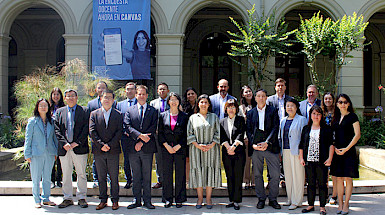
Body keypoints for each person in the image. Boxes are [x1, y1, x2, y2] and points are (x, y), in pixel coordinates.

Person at [124, 85, 158, 210]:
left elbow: (153, 127)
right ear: (136, 95)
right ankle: (136, 199)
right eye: (139, 94)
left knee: (147, 175)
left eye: (144, 94)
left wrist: (142, 142)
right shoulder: (130, 110)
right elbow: (127, 126)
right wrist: (139, 136)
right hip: (133, 148)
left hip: (147, 148)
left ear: (147, 95)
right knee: (136, 175)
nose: (141, 96)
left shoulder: (153, 111)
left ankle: (147, 201)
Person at [54, 89, 90, 209]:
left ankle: (81, 197)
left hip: (79, 148)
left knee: (81, 173)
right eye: (68, 96)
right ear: (64, 98)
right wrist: (64, 143)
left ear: (76, 97)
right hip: (64, 149)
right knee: (66, 174)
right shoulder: (59, 112)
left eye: (73, 96)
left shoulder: (84, 111)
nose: (70, 98)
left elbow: (86, 129)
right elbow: (57, 130)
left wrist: (76, 143)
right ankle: (67, 198)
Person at [246, 89, 281, 210]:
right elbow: (249, 131)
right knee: (257, 174)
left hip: (270, 147)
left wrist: (267, 142)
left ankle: (273, 199)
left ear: (266, 98)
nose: (261, 98)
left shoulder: (273, 111)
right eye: (258, 96)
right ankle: (261, 198)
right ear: (255, 98)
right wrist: (252, 145)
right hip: (256, 149)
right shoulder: (250, 113)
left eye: (263, 96)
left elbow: (276, 127)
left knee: (275, 175)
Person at [89, 89, 123, 210]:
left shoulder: (118, 114)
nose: (107, 99)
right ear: (101, 99)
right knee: (101, 177)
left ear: (113, 100)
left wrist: (109, 144)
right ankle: (103, 200)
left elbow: (120, 132)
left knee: (114, 177)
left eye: (109, 97)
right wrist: (101, 145)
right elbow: (92, 132)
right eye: (105, 97)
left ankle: (115, 200)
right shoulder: (94, 114)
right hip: (99, 151)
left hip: (113, 150)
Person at [187, 94, 221, 209]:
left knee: (209, 172)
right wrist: (198, 145)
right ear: (198, 104)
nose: (203, 104)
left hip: (211, 150)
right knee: (199, 172)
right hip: (196, 150)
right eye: (201, 102)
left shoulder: (214, 117)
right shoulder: (193, 118)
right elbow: (189, 133)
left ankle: (208, 198)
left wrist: (211, 144)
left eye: (206, 102)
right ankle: (200, 198)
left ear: (209, 104)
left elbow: (218, 133)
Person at [299, 105, 334, 215]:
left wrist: (330, 158)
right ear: (310, 115)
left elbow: (331, 145)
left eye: (318, 114)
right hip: (309, 161)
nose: (316, 116)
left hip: (322, 161)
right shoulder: (306, 128)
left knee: (322, 184)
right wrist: (301, 158)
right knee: (310, 184)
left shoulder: (326, 129)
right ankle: (310, 205)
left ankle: (322, 207)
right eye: (314, 114)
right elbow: (301, 145)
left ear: (321, 116)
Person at [330, 94, 361, 215]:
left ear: (348, 104)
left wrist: (346, 149)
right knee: (338, 179)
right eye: (340, 102)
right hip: (337, 152)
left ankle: (346, 204)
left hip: (349, 152)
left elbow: (357, 135)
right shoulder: (335, 118)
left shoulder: (352, 117)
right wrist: (335, 148)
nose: (343, 104)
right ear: (337, 104)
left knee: (348, 178)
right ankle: (340, 204)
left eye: (345, 102)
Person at [24, 98, 58, 208]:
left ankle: (46, 198)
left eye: (45, 105)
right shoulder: (32, 121)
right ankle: (36, 200)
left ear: (48, 107)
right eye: (41, 106)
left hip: (49, 153)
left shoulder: (52, 121)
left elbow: (54, 138)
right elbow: (28, 138)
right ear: (37, 108)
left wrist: (56, 152)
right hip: (36, 153)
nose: (43, 107)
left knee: (47, 177)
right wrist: (27, 154)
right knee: (36, 178)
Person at [158, 92, 188, 208]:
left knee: (180, 174)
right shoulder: (162, 115)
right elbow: (160, 133)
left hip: (179, 149)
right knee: (167, 175)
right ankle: (167, 199)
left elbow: (186, 134)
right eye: (171, 99)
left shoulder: (184, 116)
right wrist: (167, 146)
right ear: (168, 102)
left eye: (176, 99)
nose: (174, 101)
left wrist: (178, 146)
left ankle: (180, 198)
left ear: (179, 102)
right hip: (166, 149)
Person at [278, 97, 307, 210]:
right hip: (285, 150)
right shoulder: (283, 120)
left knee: (298, 176)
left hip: (297, 152)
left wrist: (302, 153)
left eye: (292, 106)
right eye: (288, 106)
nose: (289, 108)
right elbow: (280, 137)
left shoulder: (302, 119)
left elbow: (304, 138)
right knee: (288, 176)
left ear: (296, 107)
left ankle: (297, 201)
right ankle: (290, 199)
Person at [87, 81, 116, 188]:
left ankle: (107, 178)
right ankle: (96, 179)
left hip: (110, 139)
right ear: (96, 90)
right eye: (99, 88)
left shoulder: (114, 102)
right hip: (96, 138)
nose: (101, 90)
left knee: (110, 160)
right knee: (96, 160)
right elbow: (89, 122)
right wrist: (94, 138)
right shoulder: (91, 104)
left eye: (103, 88)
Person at [266, 78, 293, 188]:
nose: (280, 87)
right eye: (278, 85)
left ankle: (283, 179)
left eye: (282, 85)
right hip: (273, 132)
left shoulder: (290, 100)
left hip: (286, 131)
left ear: (285, 87)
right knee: (271, 156)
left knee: (285, 155)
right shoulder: (270, 100)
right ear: (275, 87)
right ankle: (270, 179)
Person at [220, 99, 246, 210]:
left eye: (233, 107)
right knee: (229, 176)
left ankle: (237, 200)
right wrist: (228, 147)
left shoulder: (241, 120)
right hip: (226, 152)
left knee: (238, 176)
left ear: (236, 109)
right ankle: (231, 199)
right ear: (226, 109)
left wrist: (233, 147)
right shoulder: (221, 121)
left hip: (238, 152)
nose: (231, 109)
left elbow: (241, 134)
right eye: (229, 107)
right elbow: (222, 136)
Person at [117, 82, 137, 189]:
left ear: (135, 90)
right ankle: (129, 179)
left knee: (138, 159)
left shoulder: (140, 102)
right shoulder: (120, 105)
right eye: (128, 89)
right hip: (125, 137)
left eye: (132, 89)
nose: (129, 91)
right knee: (127, 159)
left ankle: (139, 180)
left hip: (137, 137)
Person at [150, 82, 170, 189]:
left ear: (168, 91)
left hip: (169, 135)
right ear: (157, 91)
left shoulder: (172, 101)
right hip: (157, 134)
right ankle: (160, 180)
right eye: (160, 89)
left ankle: (169, 180)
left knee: (170, 158)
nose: (162, 91)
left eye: (164, 89)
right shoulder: (153, 103)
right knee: (159, 159)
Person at [238, 85, 257, 190]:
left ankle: (254, 181)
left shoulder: (257, 106)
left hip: (256, 137)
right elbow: (241, 124)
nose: (248, 93)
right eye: (246, 92)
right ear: (242, 94)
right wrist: (245, 136)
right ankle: (246, 181)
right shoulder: (240, 109)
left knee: (256, 160)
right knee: (246, 160)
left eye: (249, 91)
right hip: (246, 138)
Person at [321, 92, 338, 205]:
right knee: (324, 172)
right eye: (326, 99)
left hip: (336, 143)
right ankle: (325, 195)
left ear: (333, 100)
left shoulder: (337, 113)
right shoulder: (321, 113)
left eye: (330, 99)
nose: (328, 100)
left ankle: (335, 195)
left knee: (334, 172)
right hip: (324, 144)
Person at [181, 87, 198, 185]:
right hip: (186, 135)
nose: (191, 95)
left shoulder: (200, 105)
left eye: (192, 93)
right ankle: (187, 180)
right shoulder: (183, 106)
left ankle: (197, 180)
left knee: (197, 159)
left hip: (198, 136)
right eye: (188, 94)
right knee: (187, 159)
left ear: (196, 95)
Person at [49, 88, 65, 189]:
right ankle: (51, 180)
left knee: (60, 160)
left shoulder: (64, 107)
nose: (56, 96)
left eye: (57, 94)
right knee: (51, 159)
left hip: (60, 136)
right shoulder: (48, 107)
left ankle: (59, 180)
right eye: (54, 94)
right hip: (50, 136)